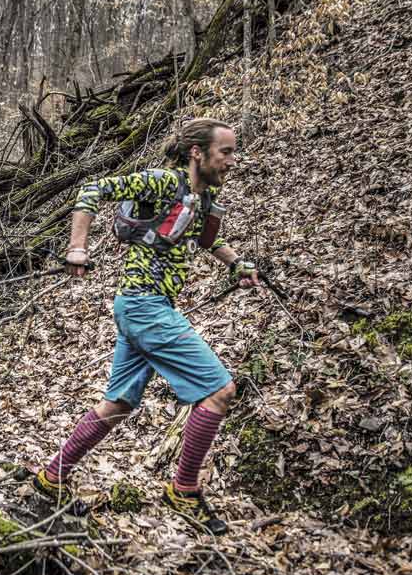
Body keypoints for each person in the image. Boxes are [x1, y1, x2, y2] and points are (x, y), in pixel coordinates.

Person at [32, 118, 260, 535]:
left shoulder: (202, 197)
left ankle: (52, 477)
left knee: (119, 403)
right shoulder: (162, 182)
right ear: (197, 152)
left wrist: (237, 264)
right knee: (219, 391)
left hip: (143, 307)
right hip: (145, 307)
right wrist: (76, 249)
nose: (233, 160)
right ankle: (184, 491)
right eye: (226, 151)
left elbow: (207, 241)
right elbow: (91, 191)